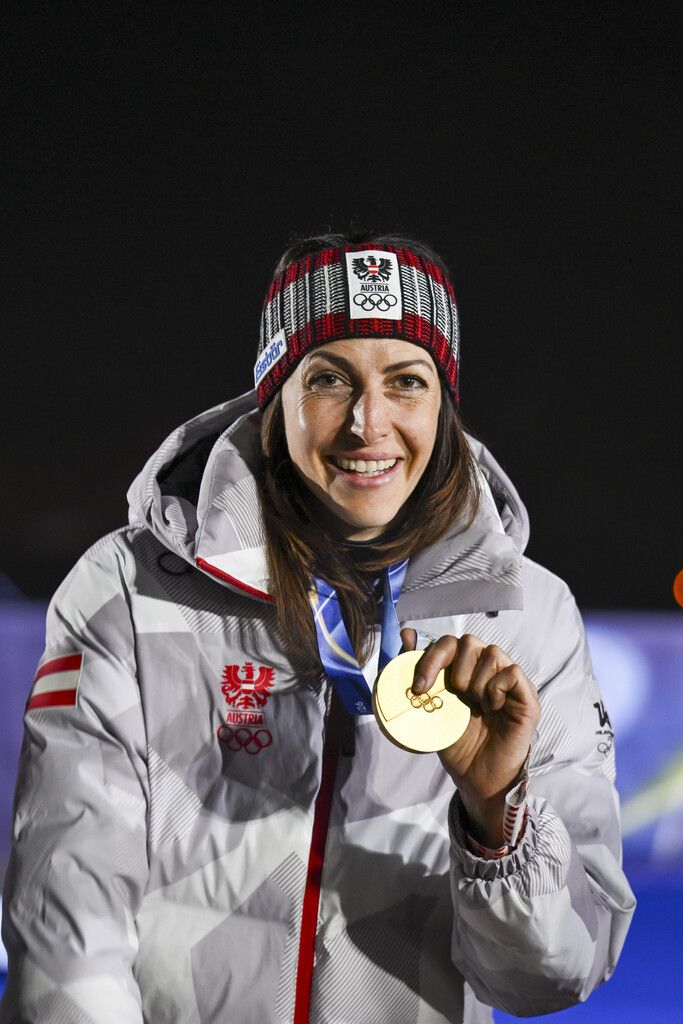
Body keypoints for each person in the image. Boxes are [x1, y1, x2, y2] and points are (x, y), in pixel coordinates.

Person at [1, 233, 635, 1024]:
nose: (368, 424)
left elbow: (553, 977)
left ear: (442, 402)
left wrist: (494, 813)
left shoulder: (528, 615)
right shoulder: (127, 591)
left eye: (406, 381)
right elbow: (68, 942)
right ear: (275, 395)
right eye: (329, 379)